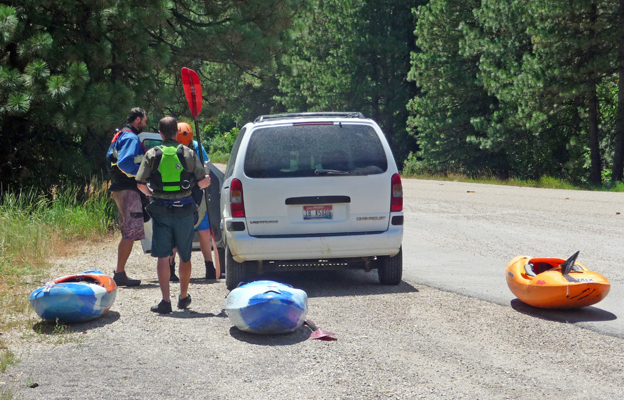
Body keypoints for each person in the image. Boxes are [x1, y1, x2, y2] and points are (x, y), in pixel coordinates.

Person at [136, 117, 210, 314]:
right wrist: (207, 181)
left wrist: (152, 194)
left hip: (161, 211)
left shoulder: (152, 154)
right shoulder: (189, 153)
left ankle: (165, 301)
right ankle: (183, 297)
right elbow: (202, 183)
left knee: (163, 256)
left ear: (160, 134)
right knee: (185, 256)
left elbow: (141, 184)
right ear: (176, 133)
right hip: (185, 211)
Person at [168, 122, 219, 281]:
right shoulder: (172, 149)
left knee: (204, 231)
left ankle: (209, 267)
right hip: (178, 194)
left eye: (187, 143)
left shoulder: (197, 147)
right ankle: (171, 270)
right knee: (175, 233)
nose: (185, 146)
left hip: (196, 194)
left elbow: (206, 168)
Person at [105, 107, 148, 287]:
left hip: (120, 188)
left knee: (127, 232)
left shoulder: (121, 135)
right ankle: (120, 274)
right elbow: (124, 162)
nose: (146, 122)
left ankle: (120, 272)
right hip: (128, 189)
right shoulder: (130, 137)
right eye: (145, 119)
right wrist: (143, 176)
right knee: (129, 233)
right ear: (138, 119)